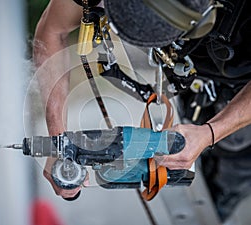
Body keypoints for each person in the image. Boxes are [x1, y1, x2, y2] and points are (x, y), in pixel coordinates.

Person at [33, 0, 251, 220]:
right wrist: (58, 141)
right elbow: (52, 31)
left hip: (241, 80)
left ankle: (225, 196)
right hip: (195, 76)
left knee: (233, 157)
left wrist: (213, 131)